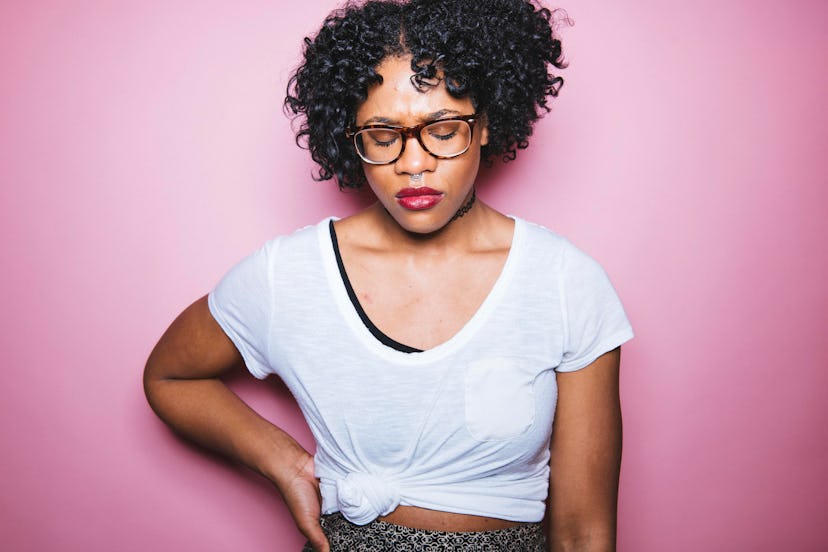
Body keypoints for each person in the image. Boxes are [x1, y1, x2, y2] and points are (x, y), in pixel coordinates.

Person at [143, 0, 634, 550]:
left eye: (443, 130)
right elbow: (170, 377)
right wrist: (283, 463)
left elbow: (584, 533)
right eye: (383, 135)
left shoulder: (567, 284)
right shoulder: (290, 274)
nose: (414, 163)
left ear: (489, 123)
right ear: (352, 139)